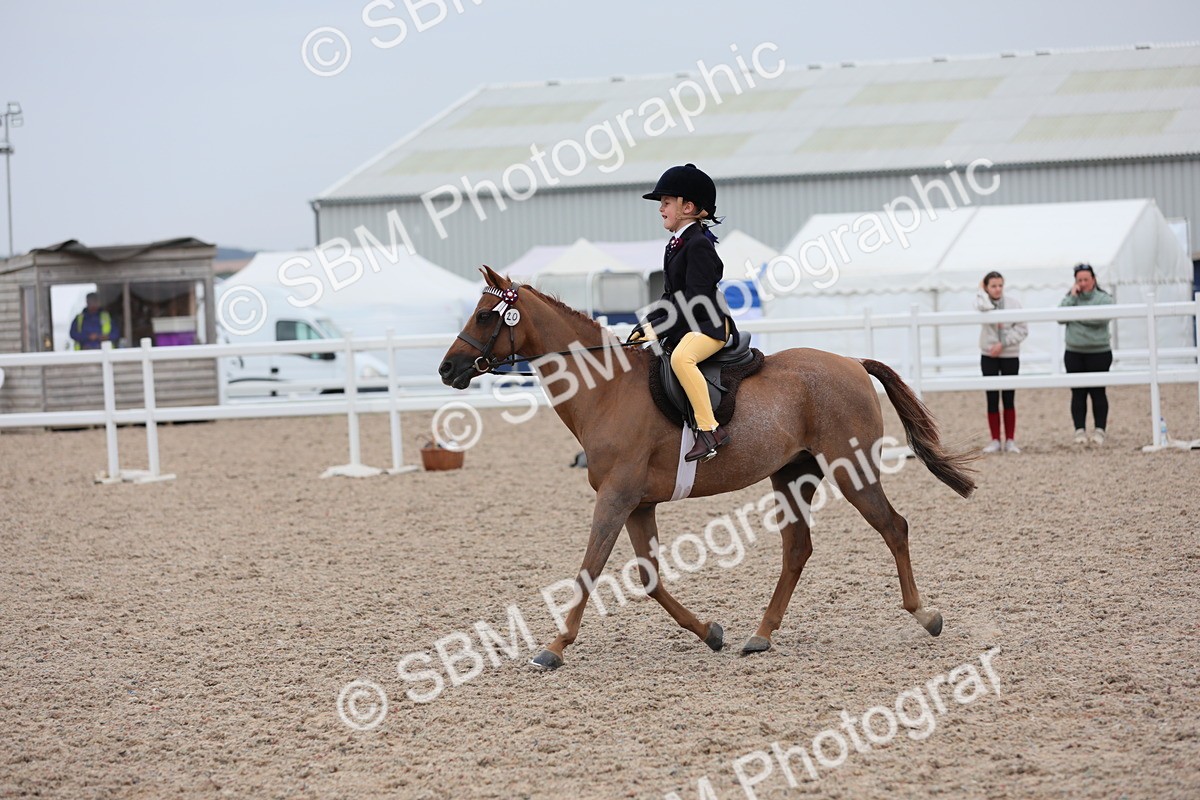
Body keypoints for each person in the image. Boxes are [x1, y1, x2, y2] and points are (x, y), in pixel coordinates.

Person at [630, 163, 737, 462]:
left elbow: (695, 299)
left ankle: (709, 430)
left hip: (708, 326)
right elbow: (670, 296)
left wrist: (660, 329)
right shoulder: (675, 244)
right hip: (688, 323)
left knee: (681, 358)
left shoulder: (699, 245)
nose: (660, 208)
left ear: (687, 207)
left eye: (666, 202)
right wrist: (646, 325)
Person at [1059, 263, 1115, 445]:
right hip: (1074, 352)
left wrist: (1075, 317)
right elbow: (1060, 317)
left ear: (1094, 279)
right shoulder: (1071, 298)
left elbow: (1101, 319)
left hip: (1099, 352)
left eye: (1086, 279)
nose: (1083, 283)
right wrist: (1072, 298)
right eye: (1079, 280)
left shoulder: (1104, 298)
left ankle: (1100, 430)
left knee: (1098, 392)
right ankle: (1079, 430)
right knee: (1078, 393)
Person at [975, 271, 1028, 454]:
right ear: (986, 287)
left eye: (1000, 285)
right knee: (991, 397)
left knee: (1008, 397)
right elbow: (980, 304)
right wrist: (981, 291)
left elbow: (1022, 329)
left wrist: (1003, 343)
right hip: (988, 355)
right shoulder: (982, 303)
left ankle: (1010, 440)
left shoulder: (1014, 304)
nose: (997, 289)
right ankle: (995, 440)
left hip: (1010, 355)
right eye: (993, 286)